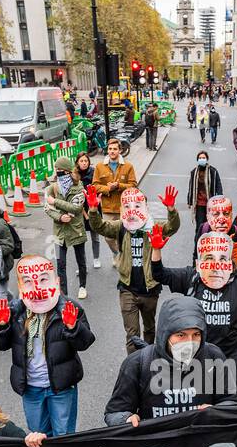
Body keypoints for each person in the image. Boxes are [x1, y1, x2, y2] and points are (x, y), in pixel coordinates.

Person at [0, 255, 94, 437]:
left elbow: (85, 343)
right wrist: (1, 325)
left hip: (61, 387)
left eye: (43, 279)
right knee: (39, 435)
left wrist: (73, 327)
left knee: (64, 436)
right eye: (28, 281)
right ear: (21, 287)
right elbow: (0, 345)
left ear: (57, 282)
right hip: (31, 388)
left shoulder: (68, 308)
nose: (37, 287)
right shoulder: (14, 311)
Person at [151, 219, 237, 365]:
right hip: (197, 353)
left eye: (222, 259)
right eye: (209, 258)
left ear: (231, 265)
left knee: (225, 388)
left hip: (229, 354)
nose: (215, 266)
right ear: (198, 264)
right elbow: (159, 274)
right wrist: (156, 250)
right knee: (200, 387)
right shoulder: (190, 277)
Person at [104, 294, 237, 424]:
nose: (190, 342)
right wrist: (126, 419)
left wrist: (217, 412)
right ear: (165, 334)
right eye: (181, 335)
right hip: (156, 444)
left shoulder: (214, 357)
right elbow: (114, 412)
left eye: (196, 334)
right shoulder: (138, 363)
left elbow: (231, 401)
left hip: (200, 443)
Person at [88, 182, 180, 353]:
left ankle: (148, 358)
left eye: (137, 206)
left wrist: (172, 209)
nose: (132, 210)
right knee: (132, 334)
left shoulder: (154, 227)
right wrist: (93, 210)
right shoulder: (120, 227)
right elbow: (100, 227)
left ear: (145, 208)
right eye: (127, 206)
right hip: (127, 289)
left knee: (149, 329)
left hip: (150, 289)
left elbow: (172, 227)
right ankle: (135, 365)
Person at [45, 155, 89, 298]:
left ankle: (82, 286)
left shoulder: (78, 187)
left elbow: (76, 208)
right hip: (59, 231)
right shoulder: (53, 188)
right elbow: (47, 208)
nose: (56, 172)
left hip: (76, 229)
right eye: (55, 169)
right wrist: (59, 217)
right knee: (60, 264)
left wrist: (55, 202)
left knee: (80, 260)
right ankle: (64, 294)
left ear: (66, 171)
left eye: (58, 169)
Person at [91, 139, 137, 258]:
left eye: (115, 149)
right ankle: (117, 253)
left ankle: (123, 257)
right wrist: (108, 189)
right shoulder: (100, 166)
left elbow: (133, 185)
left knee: (124, 236)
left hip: (124, 208)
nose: (112, 151)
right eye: (110, 149)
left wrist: (119, 186)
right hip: (108, 208)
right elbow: (95, 186)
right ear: (107, 150)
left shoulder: (128, 166)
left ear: (120, 150)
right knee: (108, 237)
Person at [187, 148, 224, 238]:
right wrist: (189, 201)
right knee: (200, 225)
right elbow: (191, 186)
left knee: (210, 225)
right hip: (199, 203)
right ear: (197, 160)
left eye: (203, 157)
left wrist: (219, 199)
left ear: (207, 159)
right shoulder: (194, 172)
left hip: (210, 204)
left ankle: (208, 243)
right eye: (200, 158)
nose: (202, 159)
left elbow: (218, 186)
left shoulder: (213, 171)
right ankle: (197, 246)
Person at [74, 151, 101, 271]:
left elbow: (99, 187)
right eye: (81, 161)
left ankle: (96, 258)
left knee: (95, 236)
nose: (84, 163)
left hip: (93, 207)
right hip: (79, 209)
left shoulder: (94, 172)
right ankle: (82, 264)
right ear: (77, 163)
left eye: (86, 161)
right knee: (81, 238)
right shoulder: (74, 175)